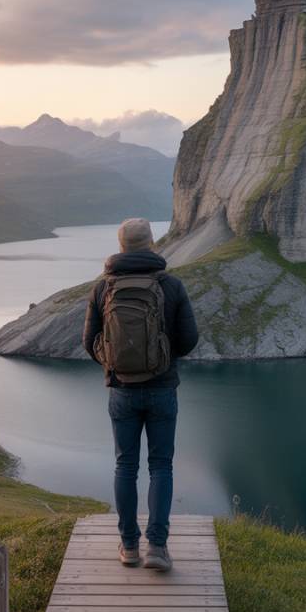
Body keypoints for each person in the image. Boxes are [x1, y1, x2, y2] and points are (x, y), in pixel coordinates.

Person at [82, 217, 198, 571]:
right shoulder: (171, 285)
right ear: (151, 243)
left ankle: (129, 546)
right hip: (163, 389)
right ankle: (158, 548)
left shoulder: (103, 288)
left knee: (125, 466)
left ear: (121, 246)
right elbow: (189, 339)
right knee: (161, 466)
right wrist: (164, 356)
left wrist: (113, 366)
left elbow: (89, 342)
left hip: (121, 391)